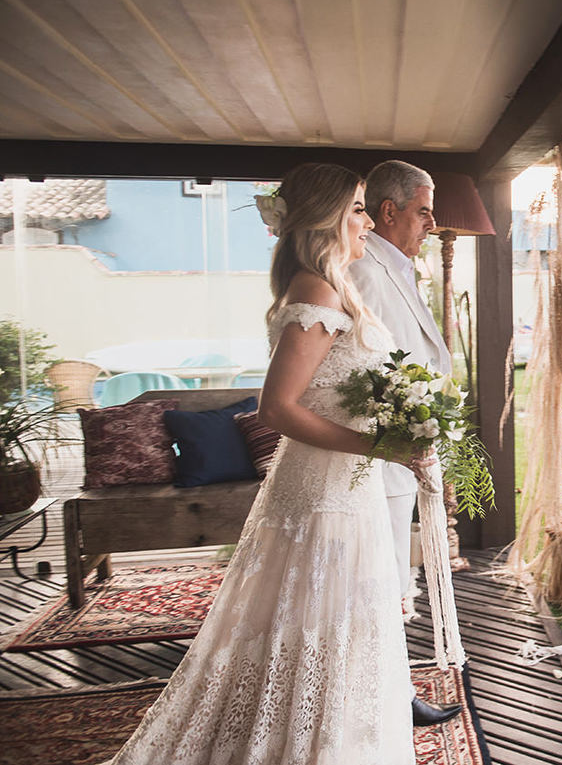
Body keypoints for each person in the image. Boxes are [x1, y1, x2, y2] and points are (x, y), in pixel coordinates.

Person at [104, 163, 423, 765]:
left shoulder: (335, 285)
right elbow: (275, 408)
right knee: (319, 622)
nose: (364, 220)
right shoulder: (317, 291)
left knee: (340, 625)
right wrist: (378, 447)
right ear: (325, 219)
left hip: (341, 487)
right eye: (356, 208)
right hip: (325, 489)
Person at [348, 159, 462, 727]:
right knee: (385, 579)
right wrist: (406, 429)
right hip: (380, 456)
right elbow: (362, 369)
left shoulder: (394, 265)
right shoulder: (366, 270)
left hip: (401, 450)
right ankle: (387, 698)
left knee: (389, 576)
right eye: (423, 211)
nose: (431, 224)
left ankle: (387, 689)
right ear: (388, 211)